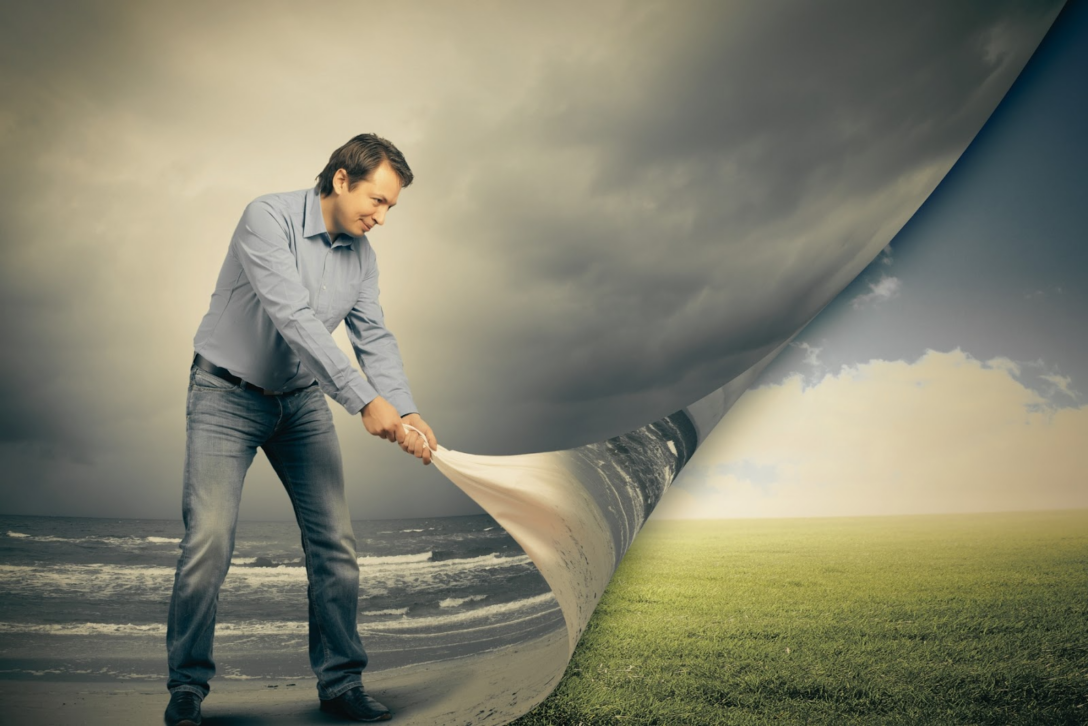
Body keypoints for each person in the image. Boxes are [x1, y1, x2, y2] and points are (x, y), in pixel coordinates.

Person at [163, 133, 437, 725]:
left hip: (301, 401)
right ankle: (186, 688)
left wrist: (404, 407)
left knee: (335, 544)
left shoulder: (362, 257)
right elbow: (294, 318)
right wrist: (364, 400)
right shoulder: (266, 218)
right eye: (378, 200)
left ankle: (341, 684)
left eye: (391, 207)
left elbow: (374, 336)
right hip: (224, 395)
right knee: (208, 541)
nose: (382, 217)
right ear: (342, 179)